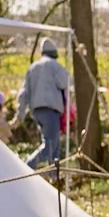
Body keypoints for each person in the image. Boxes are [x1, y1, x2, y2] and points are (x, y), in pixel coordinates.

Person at [17, 39, 69, 169]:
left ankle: (54, 176)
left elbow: (24, 93)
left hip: (37, 111)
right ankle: (26, 167)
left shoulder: (32, 68)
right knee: (50, 146)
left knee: (54, 146)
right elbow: (65, 82)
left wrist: (21, 113)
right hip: (51, 109)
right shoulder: (54, 66)